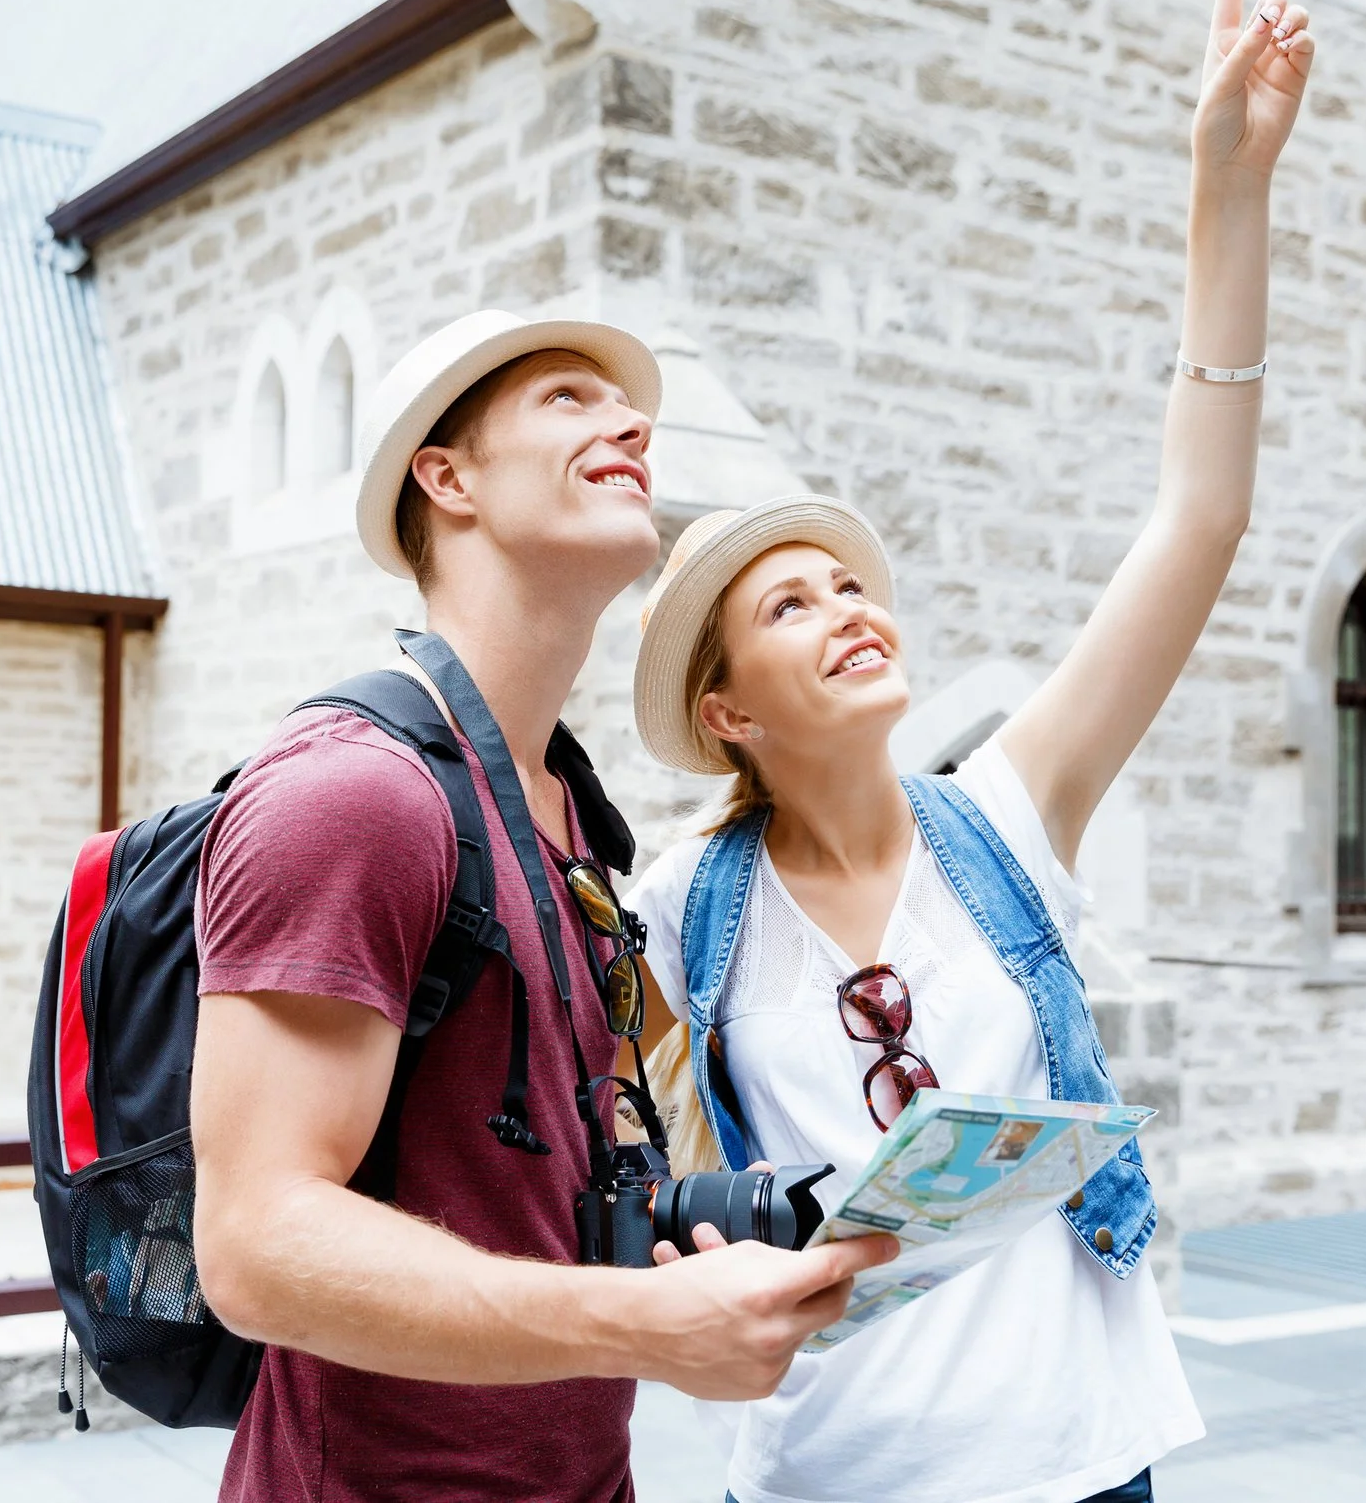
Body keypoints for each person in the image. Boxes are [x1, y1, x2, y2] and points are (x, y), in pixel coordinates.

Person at [623, 0, 1316, 1503]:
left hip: (1080, 1462)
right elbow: (615, 1171)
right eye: (789, 604)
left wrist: (1230, 191)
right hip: (821, 1475)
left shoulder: (1009, 814)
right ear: (724, 708)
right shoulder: (680, 914)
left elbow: (1199, 515)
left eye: (849, 581)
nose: (848, 606)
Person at [188, 310, 901, 1503]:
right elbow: (255, 1245)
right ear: (446, 476)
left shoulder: (564, 810)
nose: (631, 420)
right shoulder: (352, 792)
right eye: (567, 398)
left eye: (632, 412)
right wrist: (635, 1321)